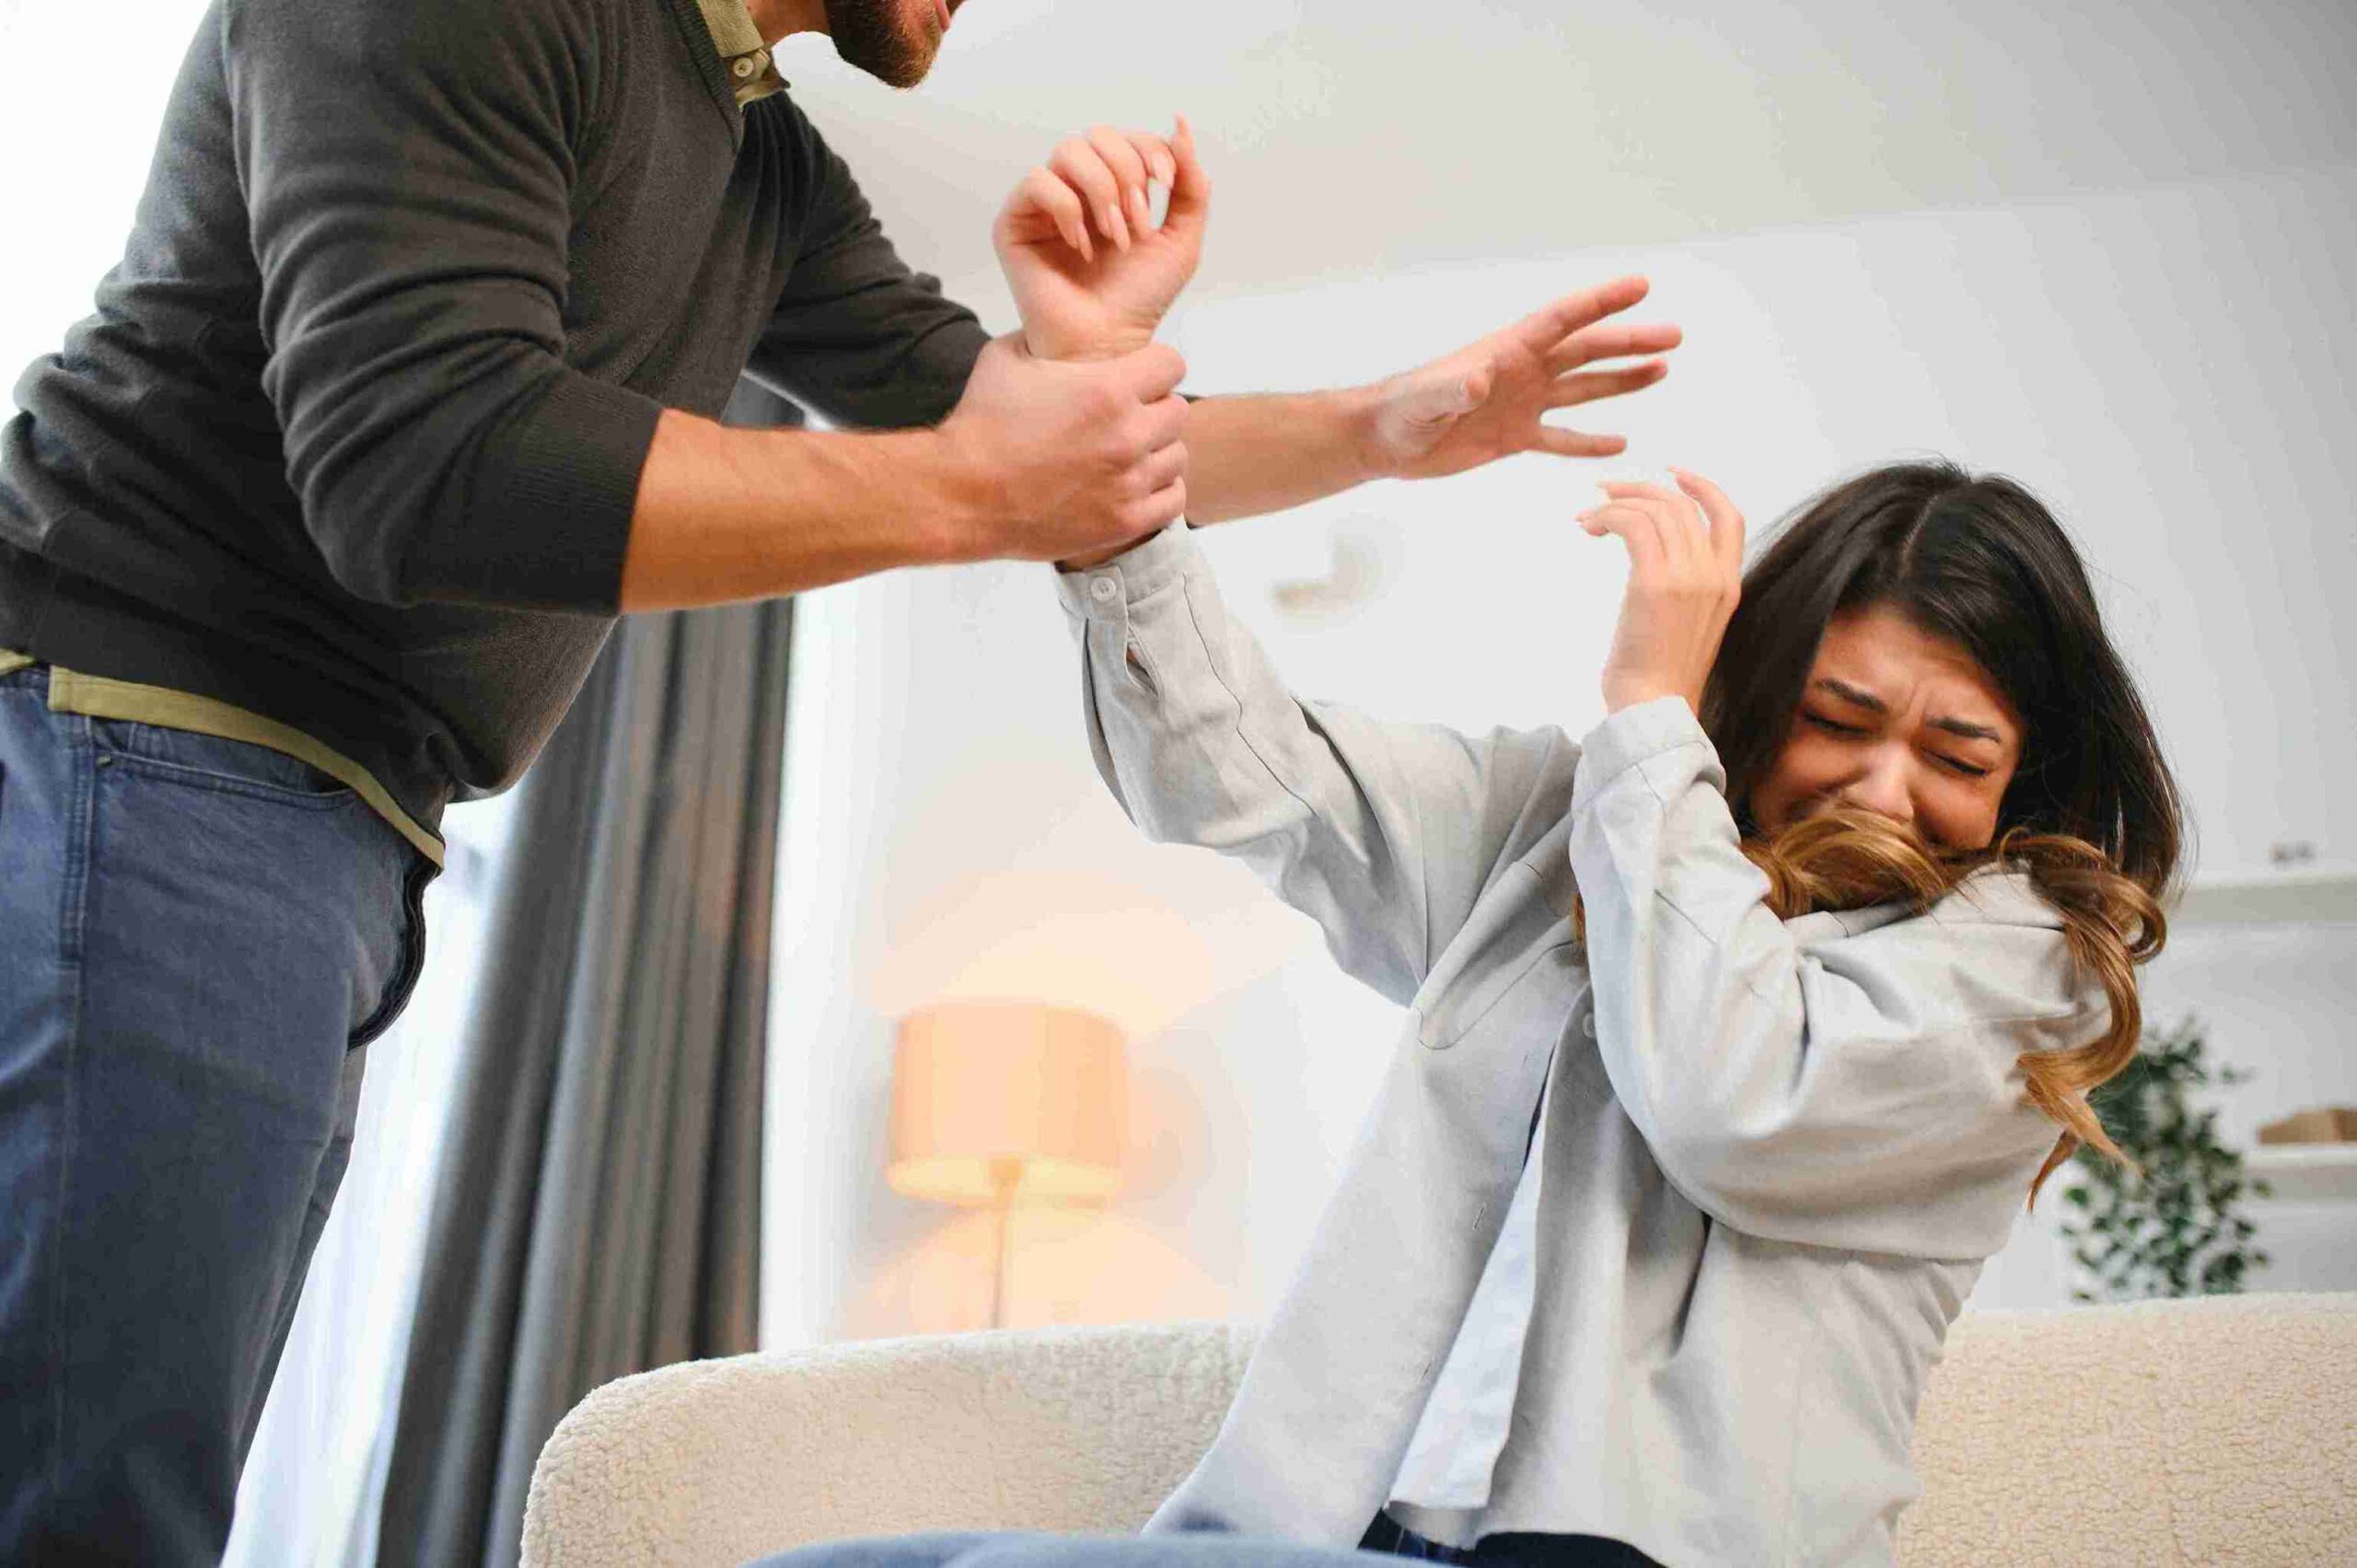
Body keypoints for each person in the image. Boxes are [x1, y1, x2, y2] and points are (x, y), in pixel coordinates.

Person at [0, 1, 1682, 1560]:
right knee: (92, 1504)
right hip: (135, 737)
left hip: (312, 821)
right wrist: (978, 491)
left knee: (124, 1476)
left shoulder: (760, 162)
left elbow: (1040, 437)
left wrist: (1394, 424)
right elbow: (422, 461)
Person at [751, 87, 2186, 1568]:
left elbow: (1728, 1094)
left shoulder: (2028, 963)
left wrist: (1649, 714)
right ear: (1759, 697)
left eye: (1955, 751)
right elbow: (1237, 781)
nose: (1883, 790)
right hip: (1362, 1537)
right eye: (1836, 720)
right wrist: (1099, 384)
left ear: (2029, 774)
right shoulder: (1572, 829)